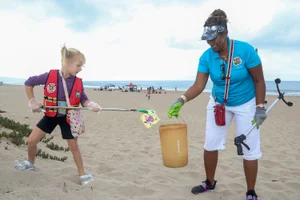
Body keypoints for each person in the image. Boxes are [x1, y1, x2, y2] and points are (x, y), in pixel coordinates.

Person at [167, 9, 267, 200]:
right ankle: (210, 183)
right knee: (211, 143)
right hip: (218, 103)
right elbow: (198, 85)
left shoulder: (245, 50)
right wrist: (181, 99)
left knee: (250, 149)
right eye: (207, 39)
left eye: (214, 38)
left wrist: (260, 107)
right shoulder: (206, 56)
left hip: (246, 103)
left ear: (225, 33)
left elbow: (259, 81)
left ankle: (250, 192)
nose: (210, 43)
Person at [14, 45, 102, 185]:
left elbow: (83, 99)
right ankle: (30, 163)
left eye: (82, 66)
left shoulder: (78, 82)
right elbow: (29, 83)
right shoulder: (50, 76)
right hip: (50, 115)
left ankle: (82, 174)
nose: (80, 69)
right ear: (67, 62)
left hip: (68, 118)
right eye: (78, 65)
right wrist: (32, 101)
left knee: (74, 147)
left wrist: (91, 105)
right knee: (31, 141)